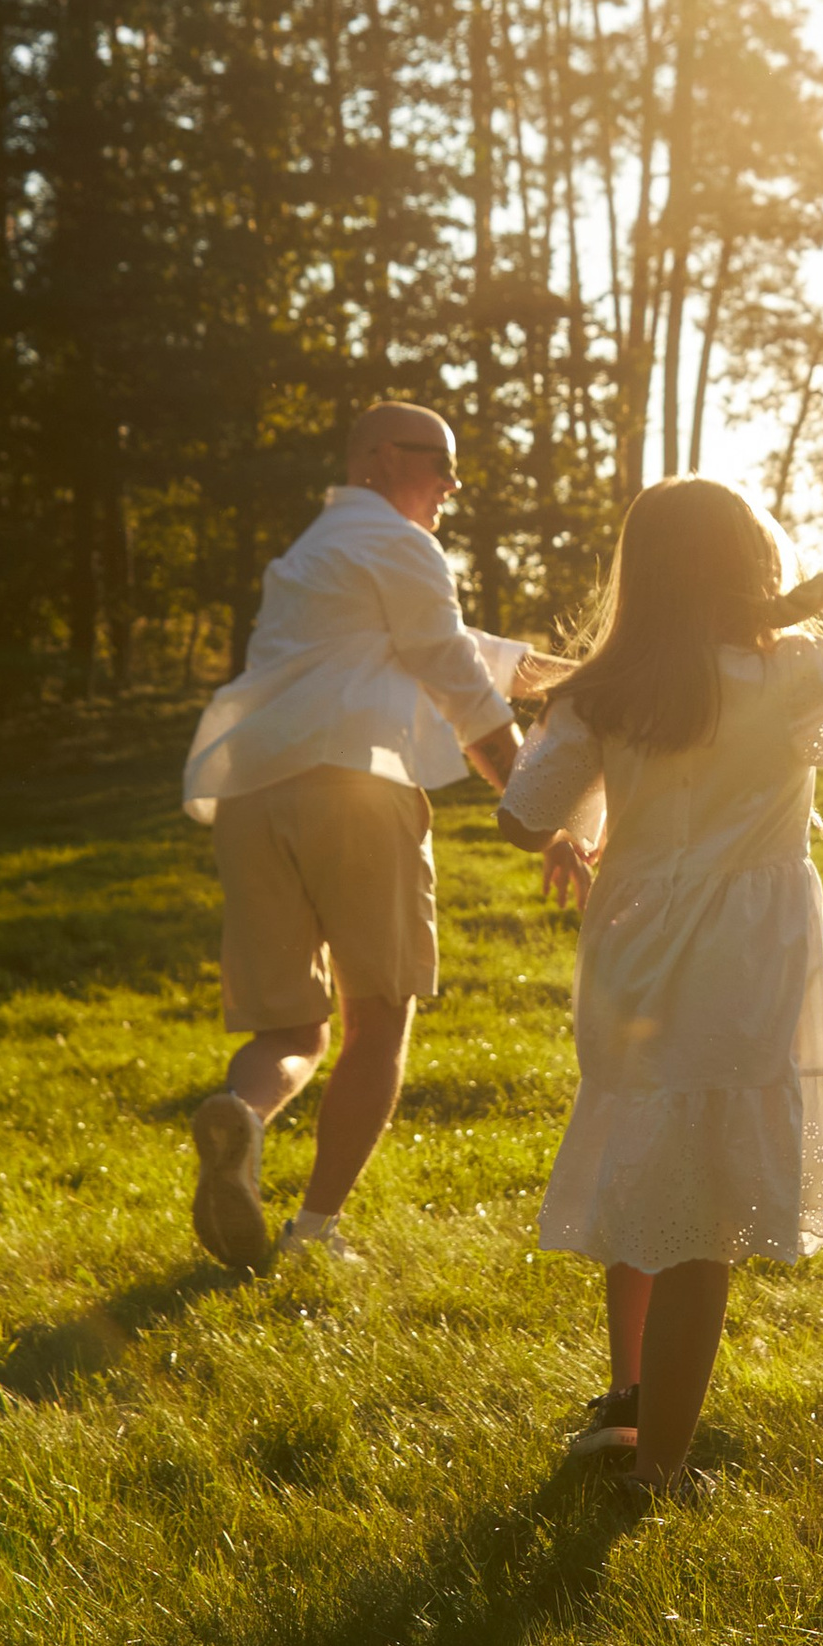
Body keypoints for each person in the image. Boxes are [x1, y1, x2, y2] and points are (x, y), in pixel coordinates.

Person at [497, 479, 823, 1494]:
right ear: (755, 564)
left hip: (632, 947)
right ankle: (659, 1464)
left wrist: (584, 818)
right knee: (702, 1217)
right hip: (743, 958)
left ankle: (628, 1394)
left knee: (644, 1158)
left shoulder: (603, 690)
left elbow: (521, 820)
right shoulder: (787, 669)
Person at [178, 403, 525, 1268]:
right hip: (356, 794)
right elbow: (453, 672)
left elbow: (444, 646)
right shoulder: (402, 544)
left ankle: (244, 1122)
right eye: (437, 459)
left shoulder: (311, 554)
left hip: (253, 798)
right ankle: (314, 1235)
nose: (452, 480)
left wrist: (580, 670)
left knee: (294, 1028)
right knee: (378, 1018)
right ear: (376, 456)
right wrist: (533, 797)